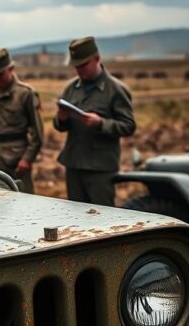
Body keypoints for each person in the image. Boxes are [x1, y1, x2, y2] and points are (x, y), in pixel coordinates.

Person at [53, 37, 136, 206]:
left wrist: (100, 123)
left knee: (102, 216)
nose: (80, 70)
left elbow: (128, 125)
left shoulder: (115, 89)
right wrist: (61, 119)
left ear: (97, 59)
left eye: (84, 65)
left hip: (100, 167)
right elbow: (60, 126)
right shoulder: (71, 88)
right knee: (75, 215)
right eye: (76, 66)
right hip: (75, 163)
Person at [0, 48, 43, 193]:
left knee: (22, 202)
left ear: (11, 69)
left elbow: (37, 134)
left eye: (0, 75)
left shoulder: (25, 94)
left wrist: (27, 159)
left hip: (16, 162)